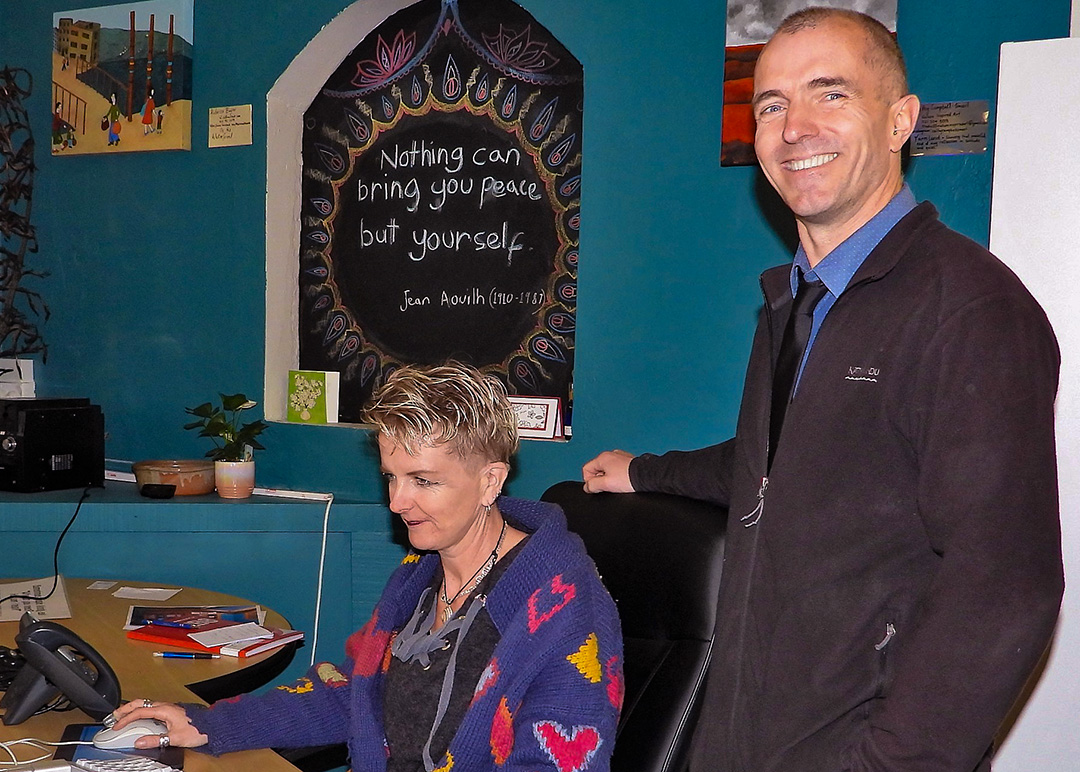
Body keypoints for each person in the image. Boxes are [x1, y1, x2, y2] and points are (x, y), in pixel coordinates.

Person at [583, 8, 1062, 772]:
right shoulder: (797, 301)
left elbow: (1006, 582)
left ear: (900, 120)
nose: (794, 126)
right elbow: (783, 462)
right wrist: (643, 471)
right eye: (771, 104)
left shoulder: (972, 309)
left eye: (830, 94)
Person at [109, 363, 623, 771]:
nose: (398, 502)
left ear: (490, 482)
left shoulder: (565, 605)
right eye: (391, 478)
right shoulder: (419, 580)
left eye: (423, 481)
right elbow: (354, 693)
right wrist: (208, 726)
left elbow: (557, 758)